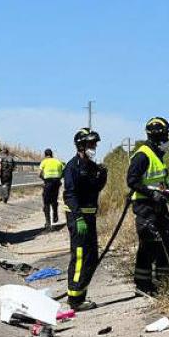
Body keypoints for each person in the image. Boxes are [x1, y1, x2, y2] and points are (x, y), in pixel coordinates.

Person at [127, 117, 169, 295]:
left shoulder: (157, 154)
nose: (168, 138)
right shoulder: (143, 155)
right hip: (145, 207)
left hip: (159, 206)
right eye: (166, 134)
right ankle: (143, 285)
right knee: (151, 245)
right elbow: (132, 181)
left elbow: (158, 180)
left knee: (168, 243)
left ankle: (162, 283)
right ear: (158, 135)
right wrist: (151, 193)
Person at [63, 129, 108, 311]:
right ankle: (75, 299)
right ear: (81, 145)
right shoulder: (72, 167)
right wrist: (78, 217)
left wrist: (102, 177)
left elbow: (94, 189)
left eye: (95, 144)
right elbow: (70, 194)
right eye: (90, 144)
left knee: (91, 257)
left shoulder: (91, 166)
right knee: (80, 257)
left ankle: (81, 294)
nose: (94, 147)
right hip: (78, 218)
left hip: (89, 218)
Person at [39, 148, 65, 229]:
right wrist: (59, 178)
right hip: (56, 182)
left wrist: (44, 179)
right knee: (54, 199)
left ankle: (48, 222)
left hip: (48, 182)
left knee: (46, 202)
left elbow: (39, 174)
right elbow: (64, 171)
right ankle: (55, 214)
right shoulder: (58, 161)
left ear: (45, 155)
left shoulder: (44, 162)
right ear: (52, 154)